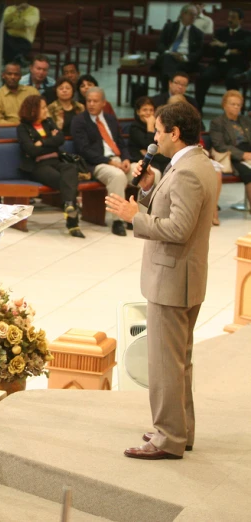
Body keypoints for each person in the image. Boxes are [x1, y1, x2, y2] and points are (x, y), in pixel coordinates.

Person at [104, 101, 214, 461]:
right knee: (179, 360)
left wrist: (136, 214)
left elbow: (179, 229)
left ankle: (168, 438)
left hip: (172, 277)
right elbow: (175, 210)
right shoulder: (198, 163)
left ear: (174, 133)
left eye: (157, 131)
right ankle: (182, 430)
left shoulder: (186, 172)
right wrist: (150, 190)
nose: (154, 138)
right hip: (186, 275)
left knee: (166, 363)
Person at [71, 87, 138, 237]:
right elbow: (84, 150)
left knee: (148, 173)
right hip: (97, 164)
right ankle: (118, 221)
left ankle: (141, 219)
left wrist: (126, 158)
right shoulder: (79, 121)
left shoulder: (110, 119)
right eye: (89, 101)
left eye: (95, 101)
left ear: (103, 103)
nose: (91, 104)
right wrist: (109, 162)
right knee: (117, 176)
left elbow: (121, 143)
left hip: (119, 161)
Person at [17, 94, 83, 237]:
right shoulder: (23, 128)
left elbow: (60, 139)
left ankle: (69, 206)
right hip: (39, 165)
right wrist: (50, 141)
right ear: (33, 110)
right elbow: (31, 150)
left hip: (56, 160)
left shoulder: (48, 122)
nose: (46, 110)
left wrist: (42, 142)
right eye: (42, 107)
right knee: (65, 180)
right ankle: (73, 221)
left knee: (71, 168)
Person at [194, 9, 249, 110]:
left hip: (235, 65)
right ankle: (198, 108)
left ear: (240, 20)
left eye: (233, 18)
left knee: (232, 78)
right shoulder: (220, 32)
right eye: (229, 17)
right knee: (203, 77)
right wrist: (230, 51)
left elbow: (245, 46)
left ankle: (233, 110)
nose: (229, 20)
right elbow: (215, 48)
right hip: (218, 64)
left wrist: (224, 45)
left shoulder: (246, 34)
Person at [209, 90, 251, 213]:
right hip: (232, 155)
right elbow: (220, 145)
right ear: (225, 105)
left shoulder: (245, 121)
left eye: (238, 105)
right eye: (233, 104)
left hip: (249, 151)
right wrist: (242, 155)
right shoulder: (218, 123)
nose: (236, 107)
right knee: (248, 173)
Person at [154, 5, 204, 87]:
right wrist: (169, 53)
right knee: (168, 60)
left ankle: (167, 91)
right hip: (168, 56)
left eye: (196, 15)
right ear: (183, 14)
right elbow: (160, 44)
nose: (194, 17)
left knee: (170, 67)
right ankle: (172, 89)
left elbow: (198, 52)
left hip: (184, 60)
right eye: (191, 14)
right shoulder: (169, 27)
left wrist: (184, 58)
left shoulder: (198, 33)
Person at [128, 96, 169, 177]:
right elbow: (150, 146)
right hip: (140, 160)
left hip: (157, 158)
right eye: (144, 110)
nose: (148, 113)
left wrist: (159, 151)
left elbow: (162, 147)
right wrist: (150, 127)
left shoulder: (159, 126)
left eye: (151, 110)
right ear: (138, 112)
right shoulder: (134, 128)